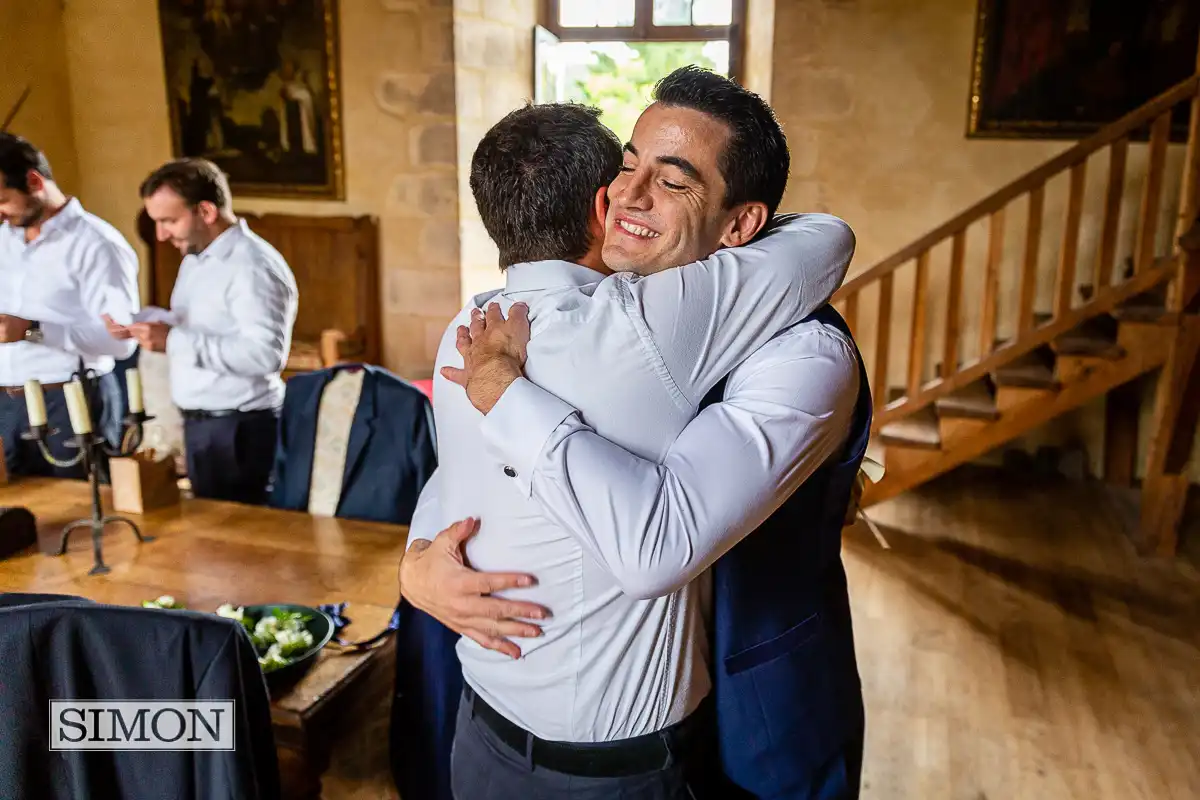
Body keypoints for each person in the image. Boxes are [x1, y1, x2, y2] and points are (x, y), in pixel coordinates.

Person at [403, 67, 863, 799]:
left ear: (743, 228)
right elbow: (458, 465)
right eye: (625, 167)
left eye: (673, 181)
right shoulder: (522, 318)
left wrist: (507, 394)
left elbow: (659, 547)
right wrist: (417, 560)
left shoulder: (803, 352)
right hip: (488, 734)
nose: (627, 194)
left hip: (742, 713)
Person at [114, 158, 297, 505]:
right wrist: (141, 323)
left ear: (207, 212)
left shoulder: (251, 267)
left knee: (235, 545)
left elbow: (265, 356)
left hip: (238, 431)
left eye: (169, 221)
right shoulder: (197, 256)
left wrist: (172, 341)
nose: (161, 235)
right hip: (206, 426)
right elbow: (199, 324)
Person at [0, 132, 139, 478]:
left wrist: (32, 330)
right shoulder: (5, 236)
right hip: (6, 403)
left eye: (2, 200)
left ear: (34, 181)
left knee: (79, 516)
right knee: (17, 521)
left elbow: (122, 341)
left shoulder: (97, 244)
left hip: (71, 401)